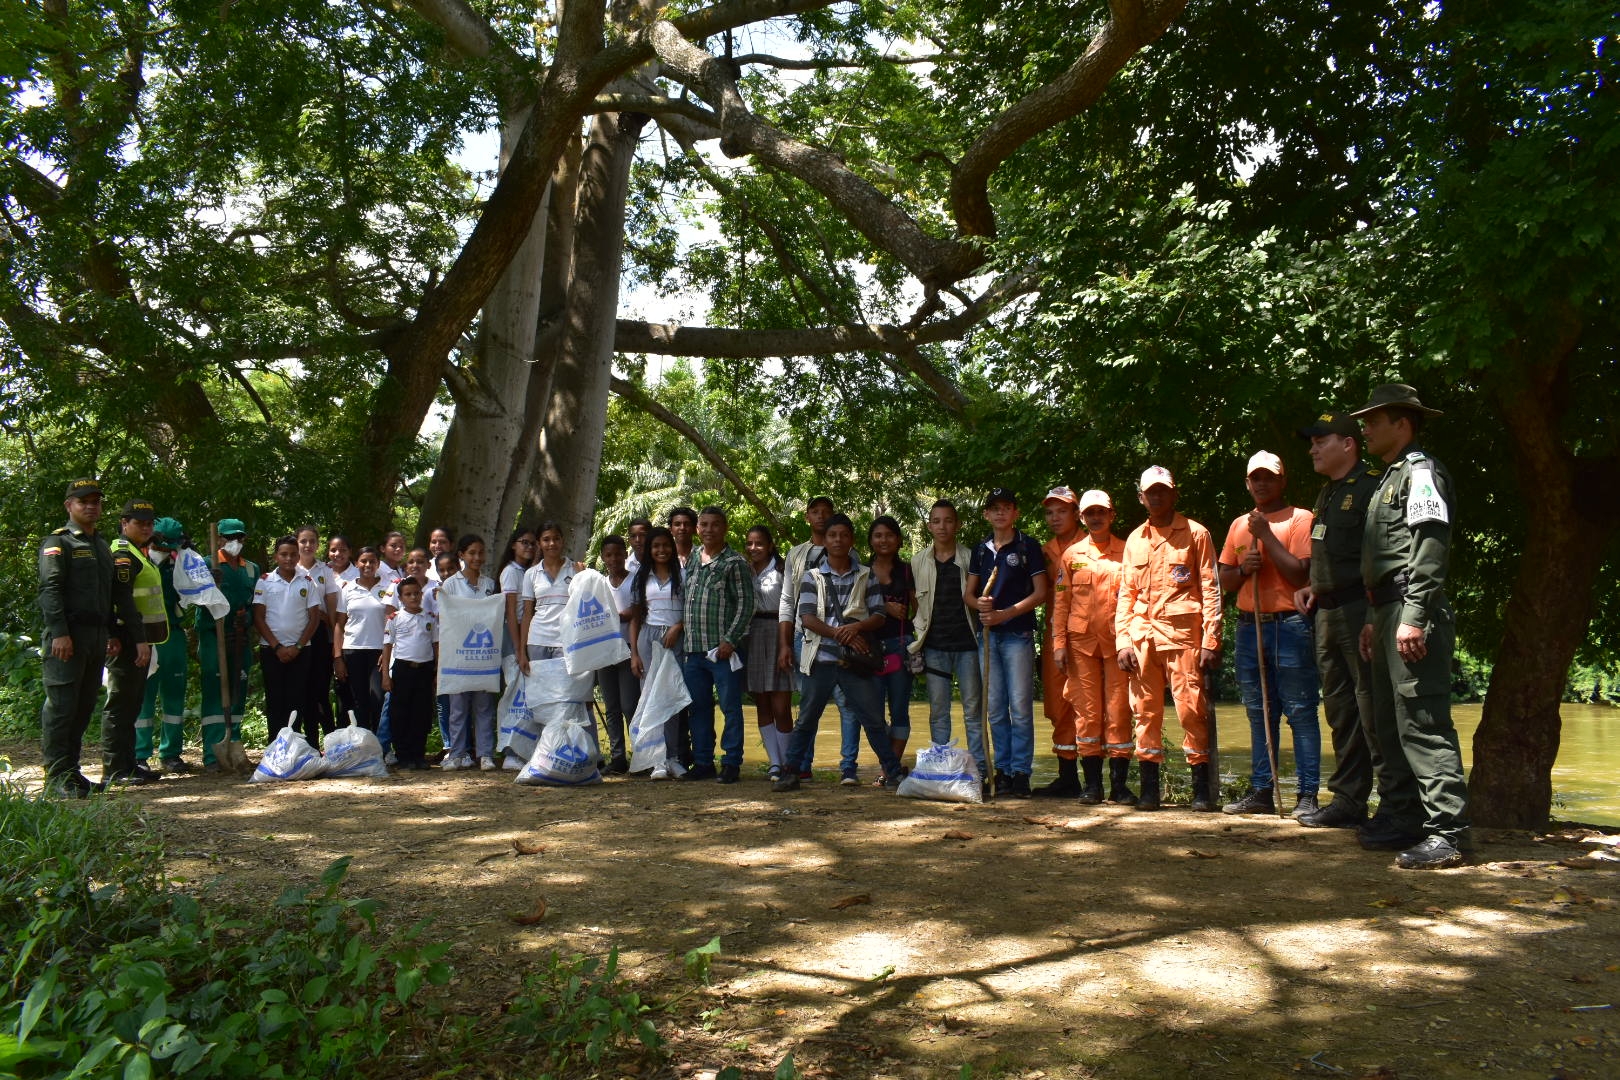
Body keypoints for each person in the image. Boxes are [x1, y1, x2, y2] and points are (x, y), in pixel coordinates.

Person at [1350, 383, 1469, 870]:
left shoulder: (1420, 472)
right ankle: (1403, 816)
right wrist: (1373, 618)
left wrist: (1414, 615)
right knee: (1388, 722)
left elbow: (1430, 545)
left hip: (1408, 607)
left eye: (1375, 419)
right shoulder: (1388, 479)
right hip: (1385, 610)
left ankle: (1448, 832)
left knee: (1421, 720)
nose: (1366, 427)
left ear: (1403, 423)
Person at [1292, 412, 1385, 829]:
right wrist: (1313, 584)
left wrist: (1373, 612)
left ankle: (1397, 805)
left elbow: (1378, 557)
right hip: (1327, 614)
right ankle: (1348, 800)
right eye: (1310, 442)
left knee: (1373, 708)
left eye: (1320, 440)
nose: (1312, 448)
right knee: (1341, 711)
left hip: (1359, 612)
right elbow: (1333, 553)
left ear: (1348, 444)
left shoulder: (1372, 488)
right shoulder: (1327, 493)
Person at [1217, 452, 1320, 818]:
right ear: (1247, 482)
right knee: (1259, 711)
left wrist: (1266, 537)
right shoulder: (1237, 525)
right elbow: (1224, 580)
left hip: (1290, 624)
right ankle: (1262, 790)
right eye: (1255, 478)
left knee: (1301, 712)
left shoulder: (1300, 519)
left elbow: (1299, 574)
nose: (1261, 484)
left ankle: (1307, 795)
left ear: (1282, 481)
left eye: (1269, 478)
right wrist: (1244, 568)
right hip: (1250, 625)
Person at [773, 514, 907, 792]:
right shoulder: (812, 577)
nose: (837, 540)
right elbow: (807, 617)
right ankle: (791, 771)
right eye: (833, 535)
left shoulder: (865, 574)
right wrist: (840, 634)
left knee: (872, 719)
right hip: (820, 658)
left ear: (851, 541)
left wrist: (856, 627)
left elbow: (879, 614)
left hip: (854, 662)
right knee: (807, 718)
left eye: (843, 535)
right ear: (826, 541)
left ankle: (892, 773)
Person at [1114, 467, 1222, 811]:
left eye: (1163, 491)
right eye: (1151, 492)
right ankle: (1149, 790)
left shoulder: (1196, 534)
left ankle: (1201, 791)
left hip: (1183, 637)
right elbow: (1125, 595)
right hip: (1142, 638)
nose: (1157, 497)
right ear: (1141, 497)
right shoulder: (1135, 539)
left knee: (1192, 710)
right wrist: (1123, 641)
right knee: (1145, 712)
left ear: (1174, 494)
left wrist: (1211, 640)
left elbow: (1211, 589)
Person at [37, 479, 134, 797]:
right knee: (62, 706)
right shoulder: (59, 543)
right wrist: (60, 634)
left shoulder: (102, 545)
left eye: (96, 501)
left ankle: (71, 772)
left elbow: (108, 595)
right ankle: (55, 778)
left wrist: (113, 632)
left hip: (95, 637)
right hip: (68, 637)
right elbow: (49, 590)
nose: (91, 506)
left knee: (82, 706)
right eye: (83, 502)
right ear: (69, 506)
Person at [1049, 490, 1130, 804]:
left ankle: (1119, 786)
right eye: (1089, 513)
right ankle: (1092, 786)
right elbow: (1061, 604)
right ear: (1082, 517)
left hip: (1118, 644)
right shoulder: (1071, 555)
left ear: (1111, 515)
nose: (1096, 518)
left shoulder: (1128, 552)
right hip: (1080, 646)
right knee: (1087, 715)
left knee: (1120, 712)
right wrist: (1058, 646)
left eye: (1101, 512)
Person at [967, 488, 1048, 799]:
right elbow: (969, 594)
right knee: (996, 708)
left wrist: (1005, 614)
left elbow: (1040, 593)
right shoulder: (981, 549)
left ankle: (1021, 773)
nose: (1000, 513)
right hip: (988, 637)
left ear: (1015, 512)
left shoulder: (1028, 546)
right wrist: (981, 607)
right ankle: (1001, 771)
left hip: (1017, 635)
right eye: (994, 508)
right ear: (987, 514)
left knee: (1020, 706)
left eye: (1006, 507)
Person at [908, 499, 985, 778]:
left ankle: (980, 772)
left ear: (958, 524)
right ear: (929, 526)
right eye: (936, 521)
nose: (942, 526)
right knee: (938, 712)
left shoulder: (971, 557)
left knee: (973, 711)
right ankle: (941, 771)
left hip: (967, 645)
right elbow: (915, 601)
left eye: (948, 520)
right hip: (935, 646)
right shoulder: (918, 561)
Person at [678, 506, 754, 784]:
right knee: (698, 708)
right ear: (698, 529)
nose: (709, 530)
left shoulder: (735, 562)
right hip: (694, 649)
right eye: (704, 525)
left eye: (715, 525)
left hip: (722, 651)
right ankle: (702, 762)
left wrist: (730, 641)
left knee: (730, 707)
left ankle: (731, 762)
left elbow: (747, 604)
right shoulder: (694, 558)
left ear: (725, 528)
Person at [103, 498, 165, 786]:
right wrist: (136, 640)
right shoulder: (122, 553)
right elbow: (122, 600)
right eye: (139, 523)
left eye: (149, 523)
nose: (145, 527)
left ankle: (128, 765)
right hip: (128, 639)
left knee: (132, 704)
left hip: (140, 640)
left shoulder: (141, 553)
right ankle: (115, 768)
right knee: (120, 704)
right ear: (124, 524)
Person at [775, 496, 836, 778]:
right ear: (807, 517)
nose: (821, 517)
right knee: (807, 701)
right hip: (803, 636)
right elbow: (788, 600)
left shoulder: (847, 550)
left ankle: (848, 766)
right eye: (815, 512)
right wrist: (786, 643)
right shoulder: (796, 554)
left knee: (847, 703)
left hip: (838, 636)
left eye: (826, 512)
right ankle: (802, 765)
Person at [197, 518, 258, 772]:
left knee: (238, 692)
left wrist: (249, 617)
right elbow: (195, 598)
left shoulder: (252, 568)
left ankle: (234, 744)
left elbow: (258, 602)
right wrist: (208, 582)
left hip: (240, 637)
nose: (234, 543)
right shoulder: (206, 564)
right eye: (229, 538)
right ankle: (212, 754)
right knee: (215, 692)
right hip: (215, 636)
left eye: (239, 538)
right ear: (219, 538)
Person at [1035, 486, 1084, 796]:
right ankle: (1068, 778)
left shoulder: (1093, 544)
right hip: (1055, 636)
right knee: (1058, 704)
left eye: (1062, 511)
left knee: (1093, 706)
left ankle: (1100, 779)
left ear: (1076, 513)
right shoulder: (1043, 551)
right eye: (1050, 512)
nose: (1055, 517)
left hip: (1090, 636)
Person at [438, 533, 501, 770]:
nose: (477, 557)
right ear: (461, 555)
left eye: (480, 552)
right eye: (471, 553)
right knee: (458, 706)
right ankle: (457, 753)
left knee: (484, 705)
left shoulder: (489, 584)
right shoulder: (451, 584)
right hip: (459, 654)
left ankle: (485, 754)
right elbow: (447, 618)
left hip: (484, 653)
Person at [135, 516, 193, 773]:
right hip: (145, 637)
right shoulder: (136, 560)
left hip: (173, 635)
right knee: (144, 697)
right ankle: (139, 754)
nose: (163, 550)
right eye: (159, 544)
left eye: (169, 546)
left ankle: (171, 754)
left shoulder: (181, 563)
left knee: (173, 697)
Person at [251, 535, 322, 740]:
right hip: (271, 650)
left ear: (298, 556)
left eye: (293, 555)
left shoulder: (307, 581)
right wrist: (277, 647)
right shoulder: (265, 581)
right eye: (284, 554)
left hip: (301, 650)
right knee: (275, 700)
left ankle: (294, 746)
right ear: (276, 557)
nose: (289, 559)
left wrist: (297, 646)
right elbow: (258, 617)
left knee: (296, 699)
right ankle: (275, 746)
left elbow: (314, 618)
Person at [629, 526, 685, 778]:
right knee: (650, 699)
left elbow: (691, 611)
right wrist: (634, 654)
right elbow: (635, 619)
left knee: (671, 699)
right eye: (656, 546)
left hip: (676, 639)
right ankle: (656, 760)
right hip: (648, 639)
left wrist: (677, 626)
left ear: (672, 548)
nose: (661, 550)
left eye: (665, 545)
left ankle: (672, 757)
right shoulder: (641, 578)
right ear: (649, 550)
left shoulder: (682, 575)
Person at [864, 515, 914, 785]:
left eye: (889, 535)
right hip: (869, 650)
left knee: (899, 710)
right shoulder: (861, 570)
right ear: (871, 541)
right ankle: (891, 765)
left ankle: (888, 771)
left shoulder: (908, 571)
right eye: (878, 535)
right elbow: (854, 607)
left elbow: (918, 609)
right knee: (871, 712)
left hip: (900, 645)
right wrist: (886, 605)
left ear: (898, 540)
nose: (883, 540)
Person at [744, 525, 794, 780]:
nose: (754, 548)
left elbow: (790, 607)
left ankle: (788, 763)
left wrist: (787, 644)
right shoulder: (744, 570)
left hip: (779, 631)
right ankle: (774, 763)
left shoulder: (783, 570)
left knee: (781, 705)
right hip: (753, 634)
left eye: (759, 543)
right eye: (750, 543)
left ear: (770, 545)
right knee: (761, 701)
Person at [381, 577, 438, 770]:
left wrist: (437, 671)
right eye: (408, 594)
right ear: (401, 597)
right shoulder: (395, 618)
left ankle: (418, 755)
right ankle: (403, 755)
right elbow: (387, 647)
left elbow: (435, 644)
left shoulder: (430, 618)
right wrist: (386, 676)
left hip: (424, 670)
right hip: (403, 669)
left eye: (416, 593)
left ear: (422, 594)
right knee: (400, 713)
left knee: (421, 713)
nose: (413, 597)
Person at [333, 547, 390, 733]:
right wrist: (338, 658)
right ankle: (361, 745)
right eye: (363, 561)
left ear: (378, 564)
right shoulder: (348, 588)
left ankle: (379, 745)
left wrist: (387, 650)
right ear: (357, 563)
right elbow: (339, 625)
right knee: (358, 701)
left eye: (372, 561)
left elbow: (393, 623)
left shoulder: (388, 588)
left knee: (378, 698)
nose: (367, 565)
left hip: (379, 652)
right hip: (353, 650)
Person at [295, 526, 342, 747]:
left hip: (321, 637)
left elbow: (331, 605)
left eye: (312, 541)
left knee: (321, 689)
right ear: (297, 543)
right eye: (303, 541)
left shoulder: (324, 571)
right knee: (301, 689)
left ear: (318, 544)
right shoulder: (290, 568)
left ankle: (329, 740)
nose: (307, 545)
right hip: (297, 636)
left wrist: (334, 642)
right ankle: (307, 741)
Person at [596, 535, 638, 774]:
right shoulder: (600, 584)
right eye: (608, 555)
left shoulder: (635, 581)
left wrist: (619, 616)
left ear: (625, 554)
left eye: (618, 554)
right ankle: (618, 757)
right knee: (611, 706)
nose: (613, 559)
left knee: (630, 705)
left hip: (628, 650)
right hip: (604, 653)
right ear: (603, 557)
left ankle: (640, 754)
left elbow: (637, 611)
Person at [517, 521, 575, 672]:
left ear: (562, 541)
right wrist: (522, 652)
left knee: (563, 691)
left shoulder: (575, 570)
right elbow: (527, 614)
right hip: (538, 640)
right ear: (539, 543)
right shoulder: (531, 574)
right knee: (541, 690)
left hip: (566, 640)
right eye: (546, 539)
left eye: (556, 539)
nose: (552, 543)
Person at [498, 526, 537, 664]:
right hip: (514, 631)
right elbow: (511, 612)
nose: (530, 547)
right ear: (514, 545)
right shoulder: (510, 571)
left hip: (526, 629)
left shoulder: (528, 571)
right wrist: (518, 648)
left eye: (533, 543)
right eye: (525, 542)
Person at [668, 506, 698, 573]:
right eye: (677, 524)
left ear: (694, 529)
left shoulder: (703, 556)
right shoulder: (665, 556)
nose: (682, 528)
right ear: (670, 530)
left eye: (687, 524)